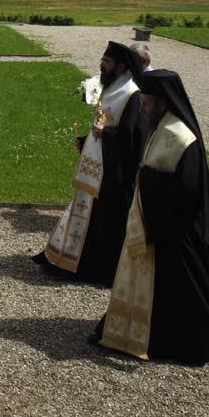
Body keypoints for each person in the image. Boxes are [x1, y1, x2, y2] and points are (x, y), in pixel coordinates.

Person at [92, 69, 209, 365]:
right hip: (156, 222)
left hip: (175, 228)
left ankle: (201, 341)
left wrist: (147, 179)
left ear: (162, 103)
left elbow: (188, 189)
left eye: (146, 103)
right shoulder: (160, 126)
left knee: (187, 290)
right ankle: (140, 334)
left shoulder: (179, 136)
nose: (142, 108)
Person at [34, 41, 145, 286]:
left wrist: (106, 134)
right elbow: (103, 125)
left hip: (116, 175)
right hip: (98, 168)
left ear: (121, 66)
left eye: (107, 62)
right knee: (92, 218)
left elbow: (134, 138)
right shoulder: (112, 87)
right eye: (102, 61)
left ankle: (105, 271)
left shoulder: (132, 94)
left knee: (109, 223)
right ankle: (80, 263)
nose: (102, 66)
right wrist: (87, 140)